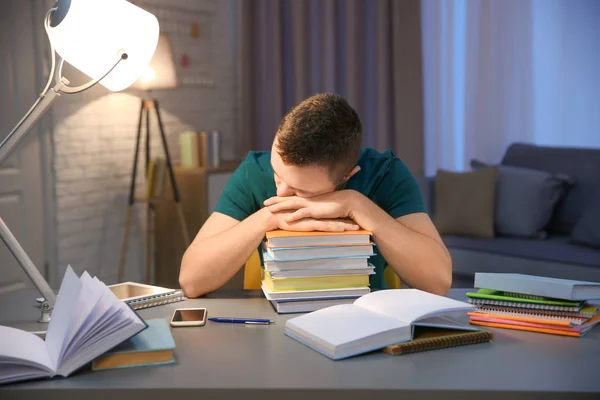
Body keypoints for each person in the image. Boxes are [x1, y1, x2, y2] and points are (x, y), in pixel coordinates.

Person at [179, 93, 452, 298]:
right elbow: (191, 280)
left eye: (300, 191)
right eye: (278, 173)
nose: (282, 193)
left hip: (366, 324)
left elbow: (438, 281)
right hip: (274, 323)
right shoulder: (254, 171)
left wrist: (356, 204)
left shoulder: (385, 173)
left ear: (347, 175)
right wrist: (266, 218)